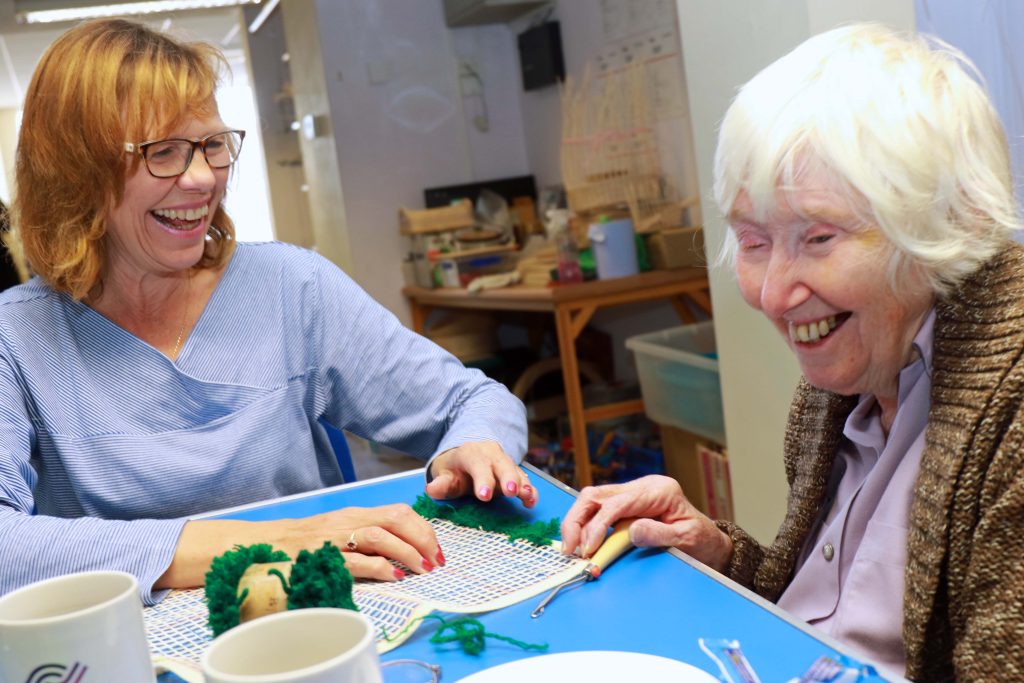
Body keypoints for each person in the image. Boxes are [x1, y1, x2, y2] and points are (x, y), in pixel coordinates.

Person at [0, 19, 536, 605]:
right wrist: (261, 543)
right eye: (164, 153)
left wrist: (473, 447)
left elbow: (472, 400)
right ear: (77, 173)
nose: (203, 178)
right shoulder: (18, 338)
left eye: (210, 145)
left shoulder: (289, 286)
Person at [561, 23, 1024, 681]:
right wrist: (716, 551)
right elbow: (824, 612)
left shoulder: (1011, 404)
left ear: (944, 222)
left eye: (818, 238)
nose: (774, 294)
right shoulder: (846, 370)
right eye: (753, 242)